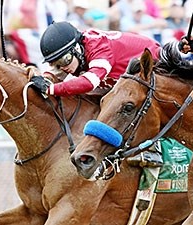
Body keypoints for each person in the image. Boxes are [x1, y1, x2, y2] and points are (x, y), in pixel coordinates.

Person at [30, 21, 163, 167]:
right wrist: (44, 78)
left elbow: (89, 82)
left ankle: (155, 148)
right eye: (55, 63)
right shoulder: (77, 52)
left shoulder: (99, 47)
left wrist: (51, 89)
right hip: (120, 80)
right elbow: (55, 75)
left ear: (77, 50)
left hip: (152, 63)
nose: (63, 67)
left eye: (64, 60)